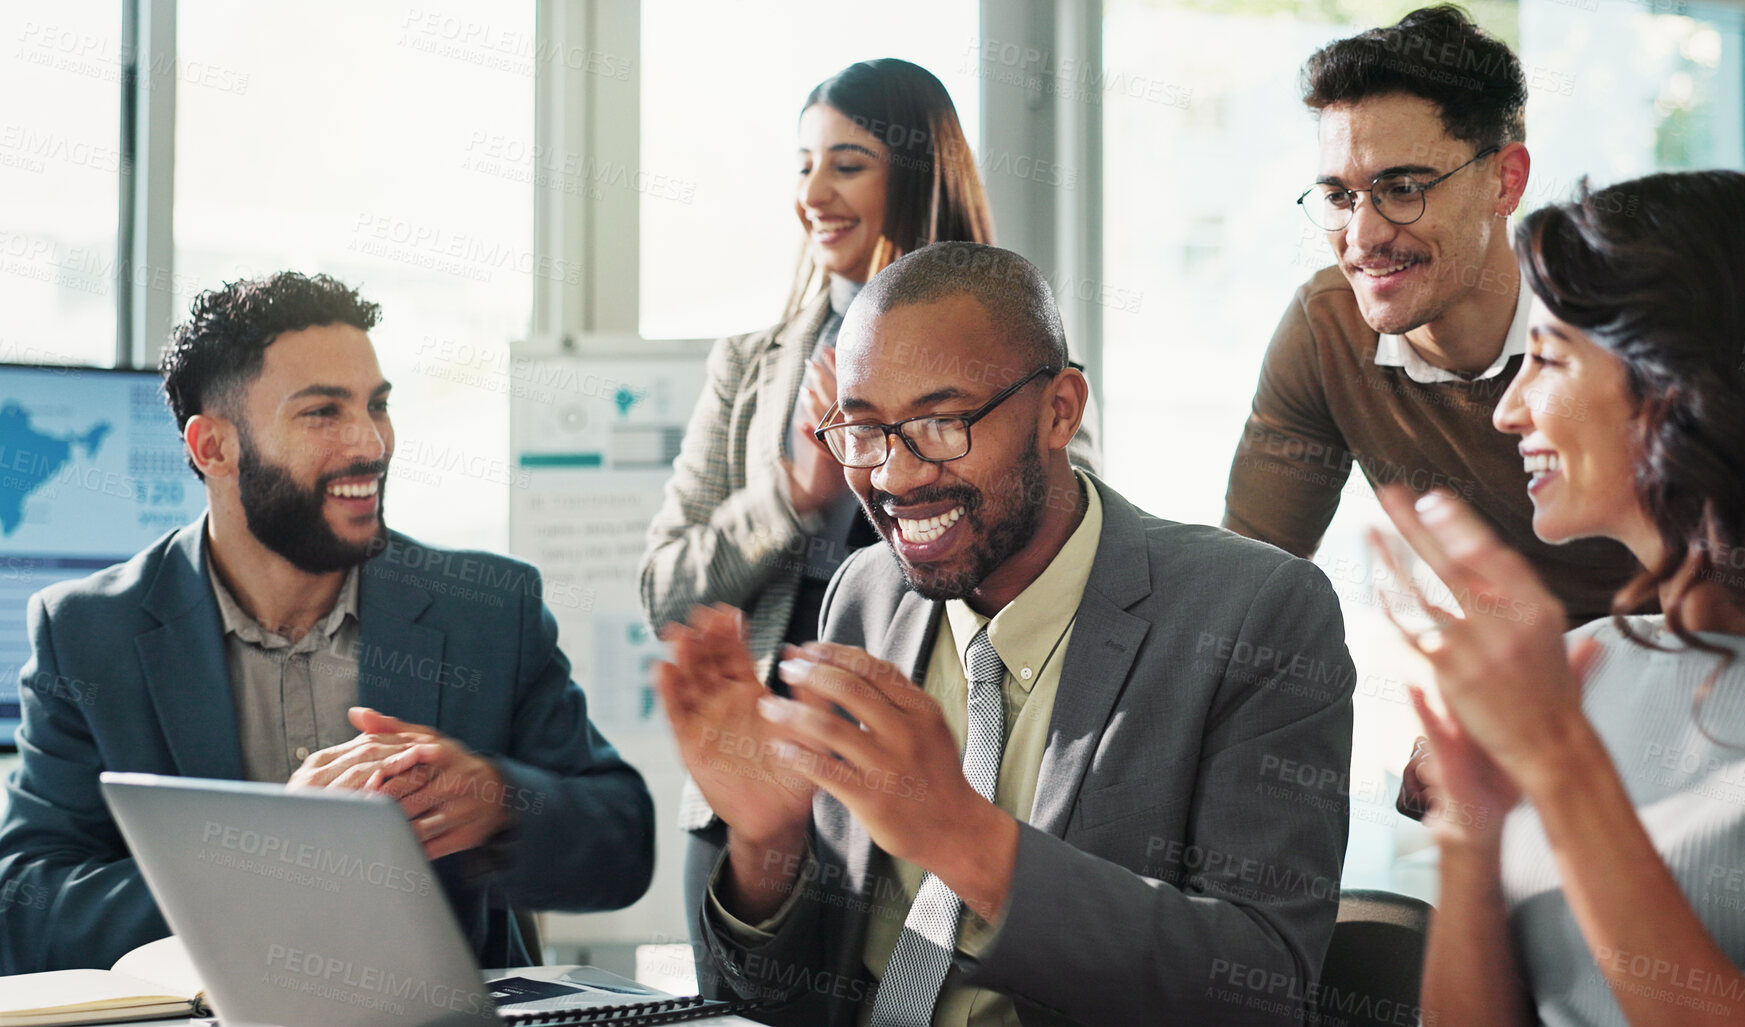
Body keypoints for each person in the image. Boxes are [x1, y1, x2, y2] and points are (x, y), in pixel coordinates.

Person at [658, 242, 1355, 1026]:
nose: (893, 474)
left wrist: (965, 841)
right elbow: (787, 997)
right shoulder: (866, 594)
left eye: (940, 423)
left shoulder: (1253, 612)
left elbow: (1259, 986)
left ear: (1059, 409)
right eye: (863, 430)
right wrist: (765, 846)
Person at [1381, 171, 1745, 1025]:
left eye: (1545, 358)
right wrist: (1473, 823)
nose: (1506, 411)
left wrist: (1561, 763)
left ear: (1684, 381)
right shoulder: (1595, 658)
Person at [0, 272, 654, 974]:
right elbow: (26, 905)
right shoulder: (87, 634)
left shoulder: (489, 610)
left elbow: (623, 843)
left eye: (376, 405)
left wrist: (499, 804)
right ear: (212, 447)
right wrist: (268, 854)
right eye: (322, 412)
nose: (370, 442)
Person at [638, 58, 1096, 933]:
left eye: (846, 164)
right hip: (761, 790)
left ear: (918, 175)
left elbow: (1066, 548)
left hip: (941, 784)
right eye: (802, 164)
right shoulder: (750, 365)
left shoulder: (1018, 353)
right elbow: (665, 588)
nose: (814, 191)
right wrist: (793, 495)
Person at [1222, 4, 1638, 622]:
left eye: (1403, 189)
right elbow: (1241, 586)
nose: (1361, 238)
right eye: (1340, 196)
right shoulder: (1327, 327)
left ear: (1506, 181)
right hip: (1517, 690)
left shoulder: (1621, 319)